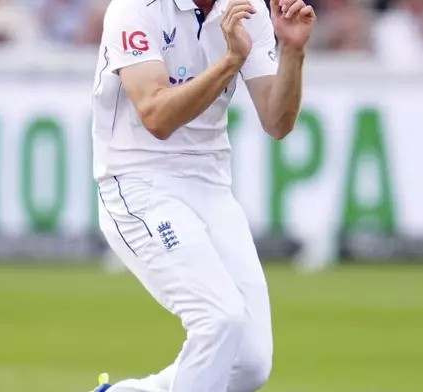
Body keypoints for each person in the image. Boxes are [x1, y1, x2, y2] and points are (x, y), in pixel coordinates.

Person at [90, 0, 315, 391]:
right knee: (218, 319)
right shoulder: (134, 8)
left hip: (210, 185)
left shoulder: (248, 8)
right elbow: (157, 117)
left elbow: (277, 122)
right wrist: (230, 61)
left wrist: (293, 49)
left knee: (249, 365)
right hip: (137, 184)